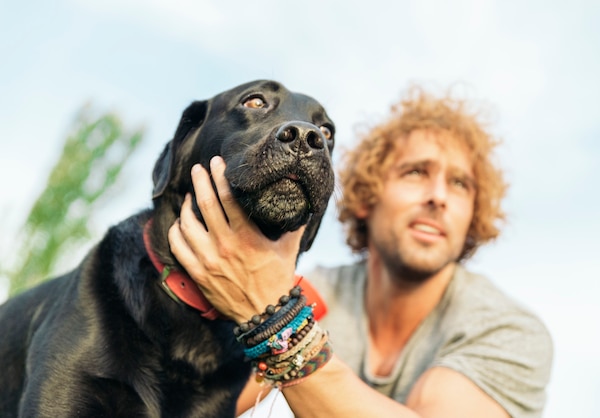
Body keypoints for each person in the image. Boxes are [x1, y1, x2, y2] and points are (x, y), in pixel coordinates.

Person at [168, 85, 553, 417]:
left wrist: (273, 316)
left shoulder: (509, 331)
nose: (438, 197)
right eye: (416, 172)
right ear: (368, 195)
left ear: (474, 214)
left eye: (459, 184)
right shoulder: (316, 293)